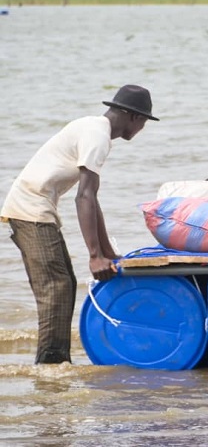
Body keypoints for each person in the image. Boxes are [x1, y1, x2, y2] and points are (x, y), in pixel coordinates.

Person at [1, 85, 158, 364]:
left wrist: (107, 252)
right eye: (144, 120)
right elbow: (83, 197)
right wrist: (95, 256)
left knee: (65, 283)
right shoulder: (98, 136)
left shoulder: (94, 128)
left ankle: (57, 360)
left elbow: (91, 199)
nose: (143, 127)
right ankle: (50, 364)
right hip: (30, 208)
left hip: (35, 207)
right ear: (132, 116)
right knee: (56, 286)